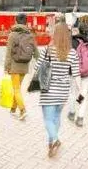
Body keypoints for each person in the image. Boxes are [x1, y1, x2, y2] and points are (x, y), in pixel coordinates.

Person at [32, 23, 83, 158]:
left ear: (54, 34)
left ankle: (55, 139)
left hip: (48, 91)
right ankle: (51, 144)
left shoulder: (47, 50)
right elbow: (76, 74)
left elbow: (36, 68)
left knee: (48, 119)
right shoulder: (72, 53)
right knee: (56, 118)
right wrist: (81, 92)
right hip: (63, 92)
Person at [4, 13, 41, 120]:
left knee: (16, 89)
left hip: (14, 66)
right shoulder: (30, 35)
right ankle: (13, 108)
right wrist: (40, 65)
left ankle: (23, 110)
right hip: (25, 66)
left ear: (16, 22)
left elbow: (8, 53)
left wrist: (6, 68)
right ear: (26, 22)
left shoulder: (12, 35)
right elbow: (36, 53)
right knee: (18, 88)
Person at [67, 23, 88, 127]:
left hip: (74, 73)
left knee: (73, 92)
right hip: (87, 74)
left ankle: (72, 113)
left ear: (78, 31)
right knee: (83, 94)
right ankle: (80, 118)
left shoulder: (73, 41)